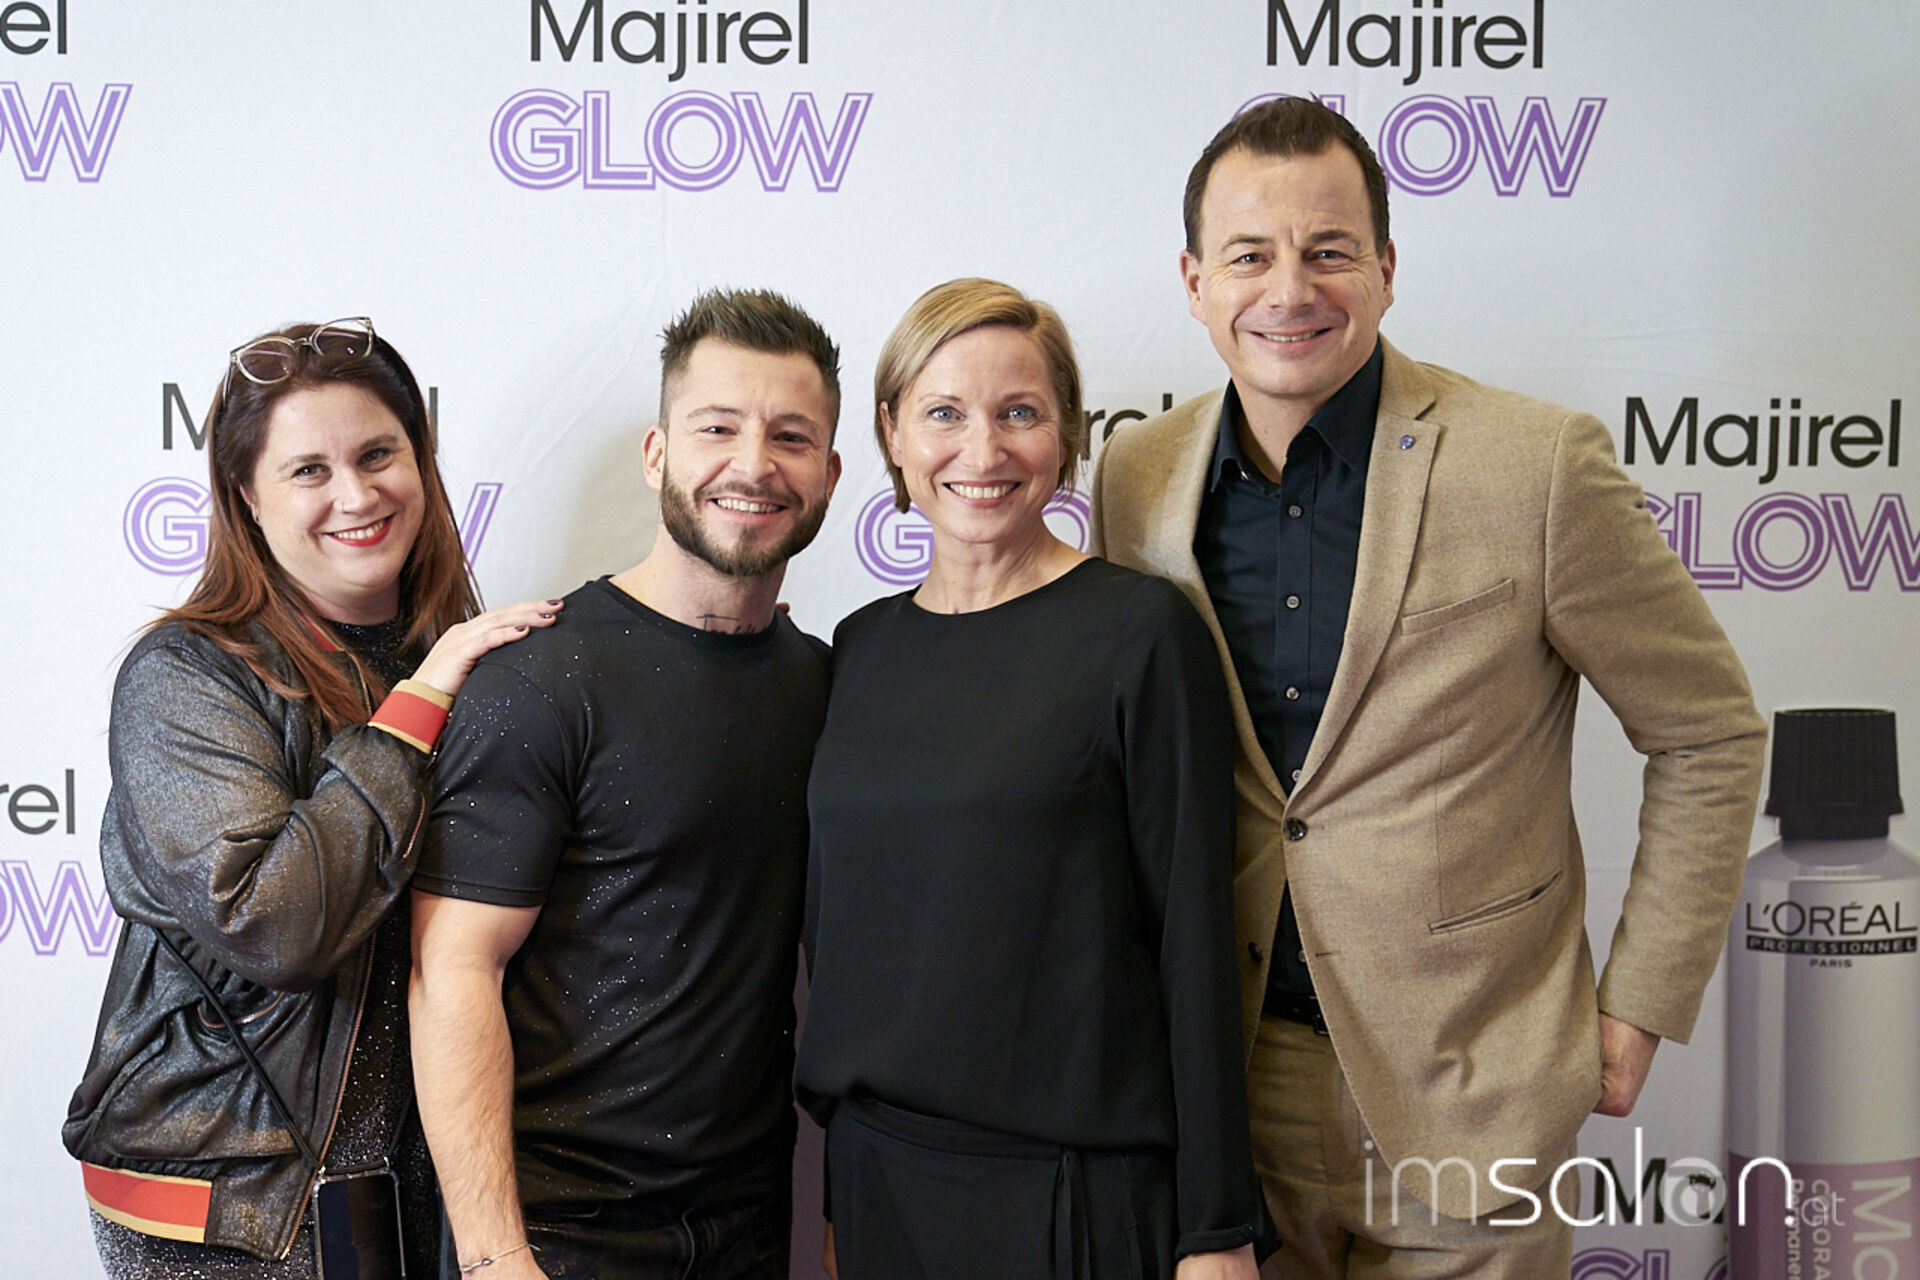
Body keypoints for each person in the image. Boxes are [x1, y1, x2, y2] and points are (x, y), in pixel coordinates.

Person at [1090, 96, 1768, 1277]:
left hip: (1477, 1090)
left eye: (1329, 249)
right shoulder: (1135, 475)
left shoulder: (1535, 464)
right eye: (1248, 255)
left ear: (1387, 270)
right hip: (1225, 1102)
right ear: (1194, 282)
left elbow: (1707, 731)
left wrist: (1642, 998)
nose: (1289, 288)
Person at [63, 317, 561, 1278]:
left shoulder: (454, 660)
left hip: (406, 1187)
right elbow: (273, 924)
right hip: (231, 1203)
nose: (357, 495)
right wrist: (414, 713)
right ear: (246, 497)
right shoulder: (185, 675)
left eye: (378, 455)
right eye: (308, 471)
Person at [795, 278, 1267, 1280]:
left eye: (1019, 412)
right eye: (944, 413)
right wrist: (840, 1196)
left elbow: (1196, 940)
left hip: (1073, 1194)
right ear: (891, 432)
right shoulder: (860, 647)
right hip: (881, 1181)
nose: (983, 450)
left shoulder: (1141, 634)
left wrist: (1218, 1224)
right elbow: (847, 946)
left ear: (1067, 436)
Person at [407, 288, 843, 1280]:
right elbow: (454, 968)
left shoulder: (828, 686)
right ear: (658, 454)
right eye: (717, 428)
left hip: (747, 1226)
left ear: (828, 473)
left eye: (790, 436)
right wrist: (494, 1254)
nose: (753, 464)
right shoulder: (544, 677)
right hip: (559, 1233)